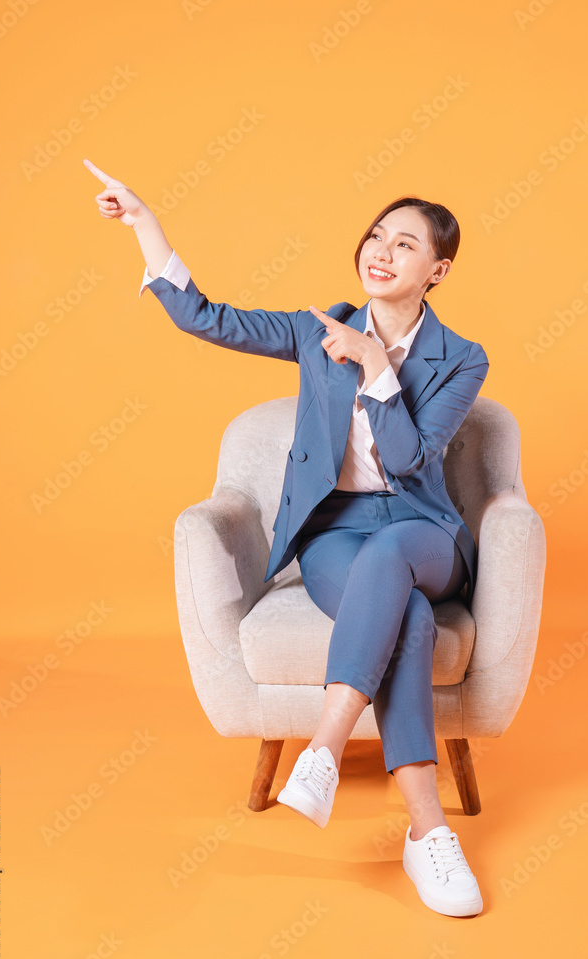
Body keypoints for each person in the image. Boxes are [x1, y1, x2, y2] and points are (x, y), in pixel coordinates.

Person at [84, 158, 489, 918]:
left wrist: (373, 367)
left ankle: (325, 749)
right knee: (401, 617)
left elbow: (407, 460)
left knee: (396, 555)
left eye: (405, 244)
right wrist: (146, 226)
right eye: (376, 235)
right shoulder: (315, 332)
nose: (381, 250)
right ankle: (427, 833)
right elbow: (209, 318)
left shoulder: (460, 359)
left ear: (436, 269)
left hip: (422, 531)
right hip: (334, 531)